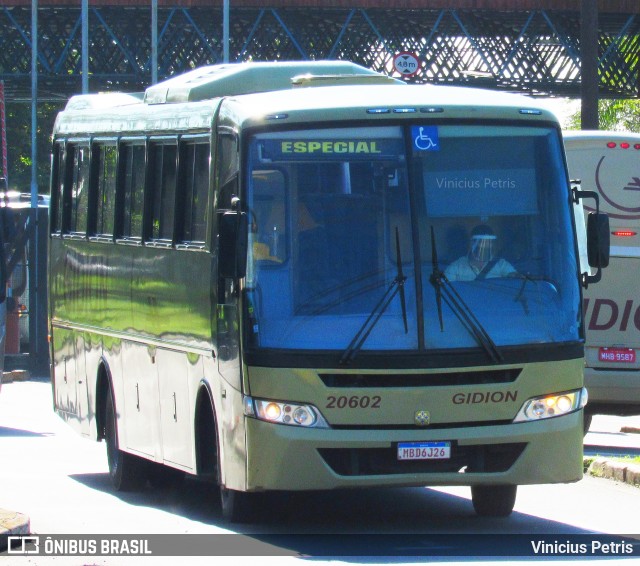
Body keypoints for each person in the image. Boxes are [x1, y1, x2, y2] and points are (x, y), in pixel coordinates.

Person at [444, 224, 516, 281]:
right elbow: (444, 287)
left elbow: (516, 280)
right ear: (472, 242)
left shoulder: (501, 264)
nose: (486, 246)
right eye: (482, 242)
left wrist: (516, 276)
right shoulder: (456, 268)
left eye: (489, 242)